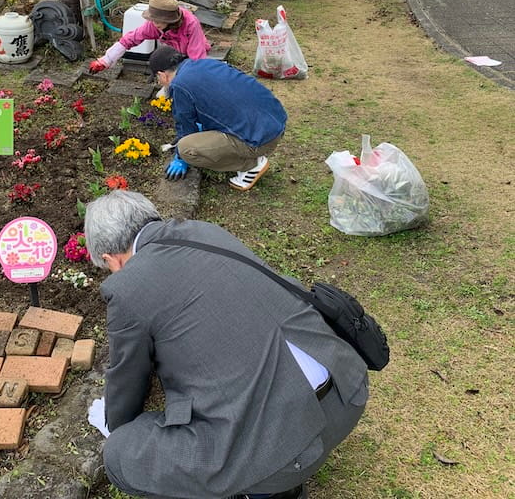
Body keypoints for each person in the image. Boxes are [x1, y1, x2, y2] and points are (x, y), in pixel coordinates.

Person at [84, 189, 369, 499]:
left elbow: (127, 380)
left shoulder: (127, 286)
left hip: (285, 449)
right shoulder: (203, 231)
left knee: (121, 456)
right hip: (346, 391)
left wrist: (119, 426)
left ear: (112, 258)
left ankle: (263, 490)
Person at [148, 45, 286, 190]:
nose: (160, 83)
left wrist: (180, 158)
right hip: (276, 120)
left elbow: (185, 129)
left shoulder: (179, 86)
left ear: (162, 74)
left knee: (186, 148)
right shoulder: (206, 63)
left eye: (157, 79)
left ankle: (251, 166)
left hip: (260, 140)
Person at [89, 0, 210, 72]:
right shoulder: (153, 25)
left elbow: (197, 57)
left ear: (171, 20)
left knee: (187, 72)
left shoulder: (191, 25)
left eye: (160, 21)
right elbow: (129, 39)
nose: (156, 24)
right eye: (153, 20)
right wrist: (106, 60)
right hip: (174, 50)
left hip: (192, 52)